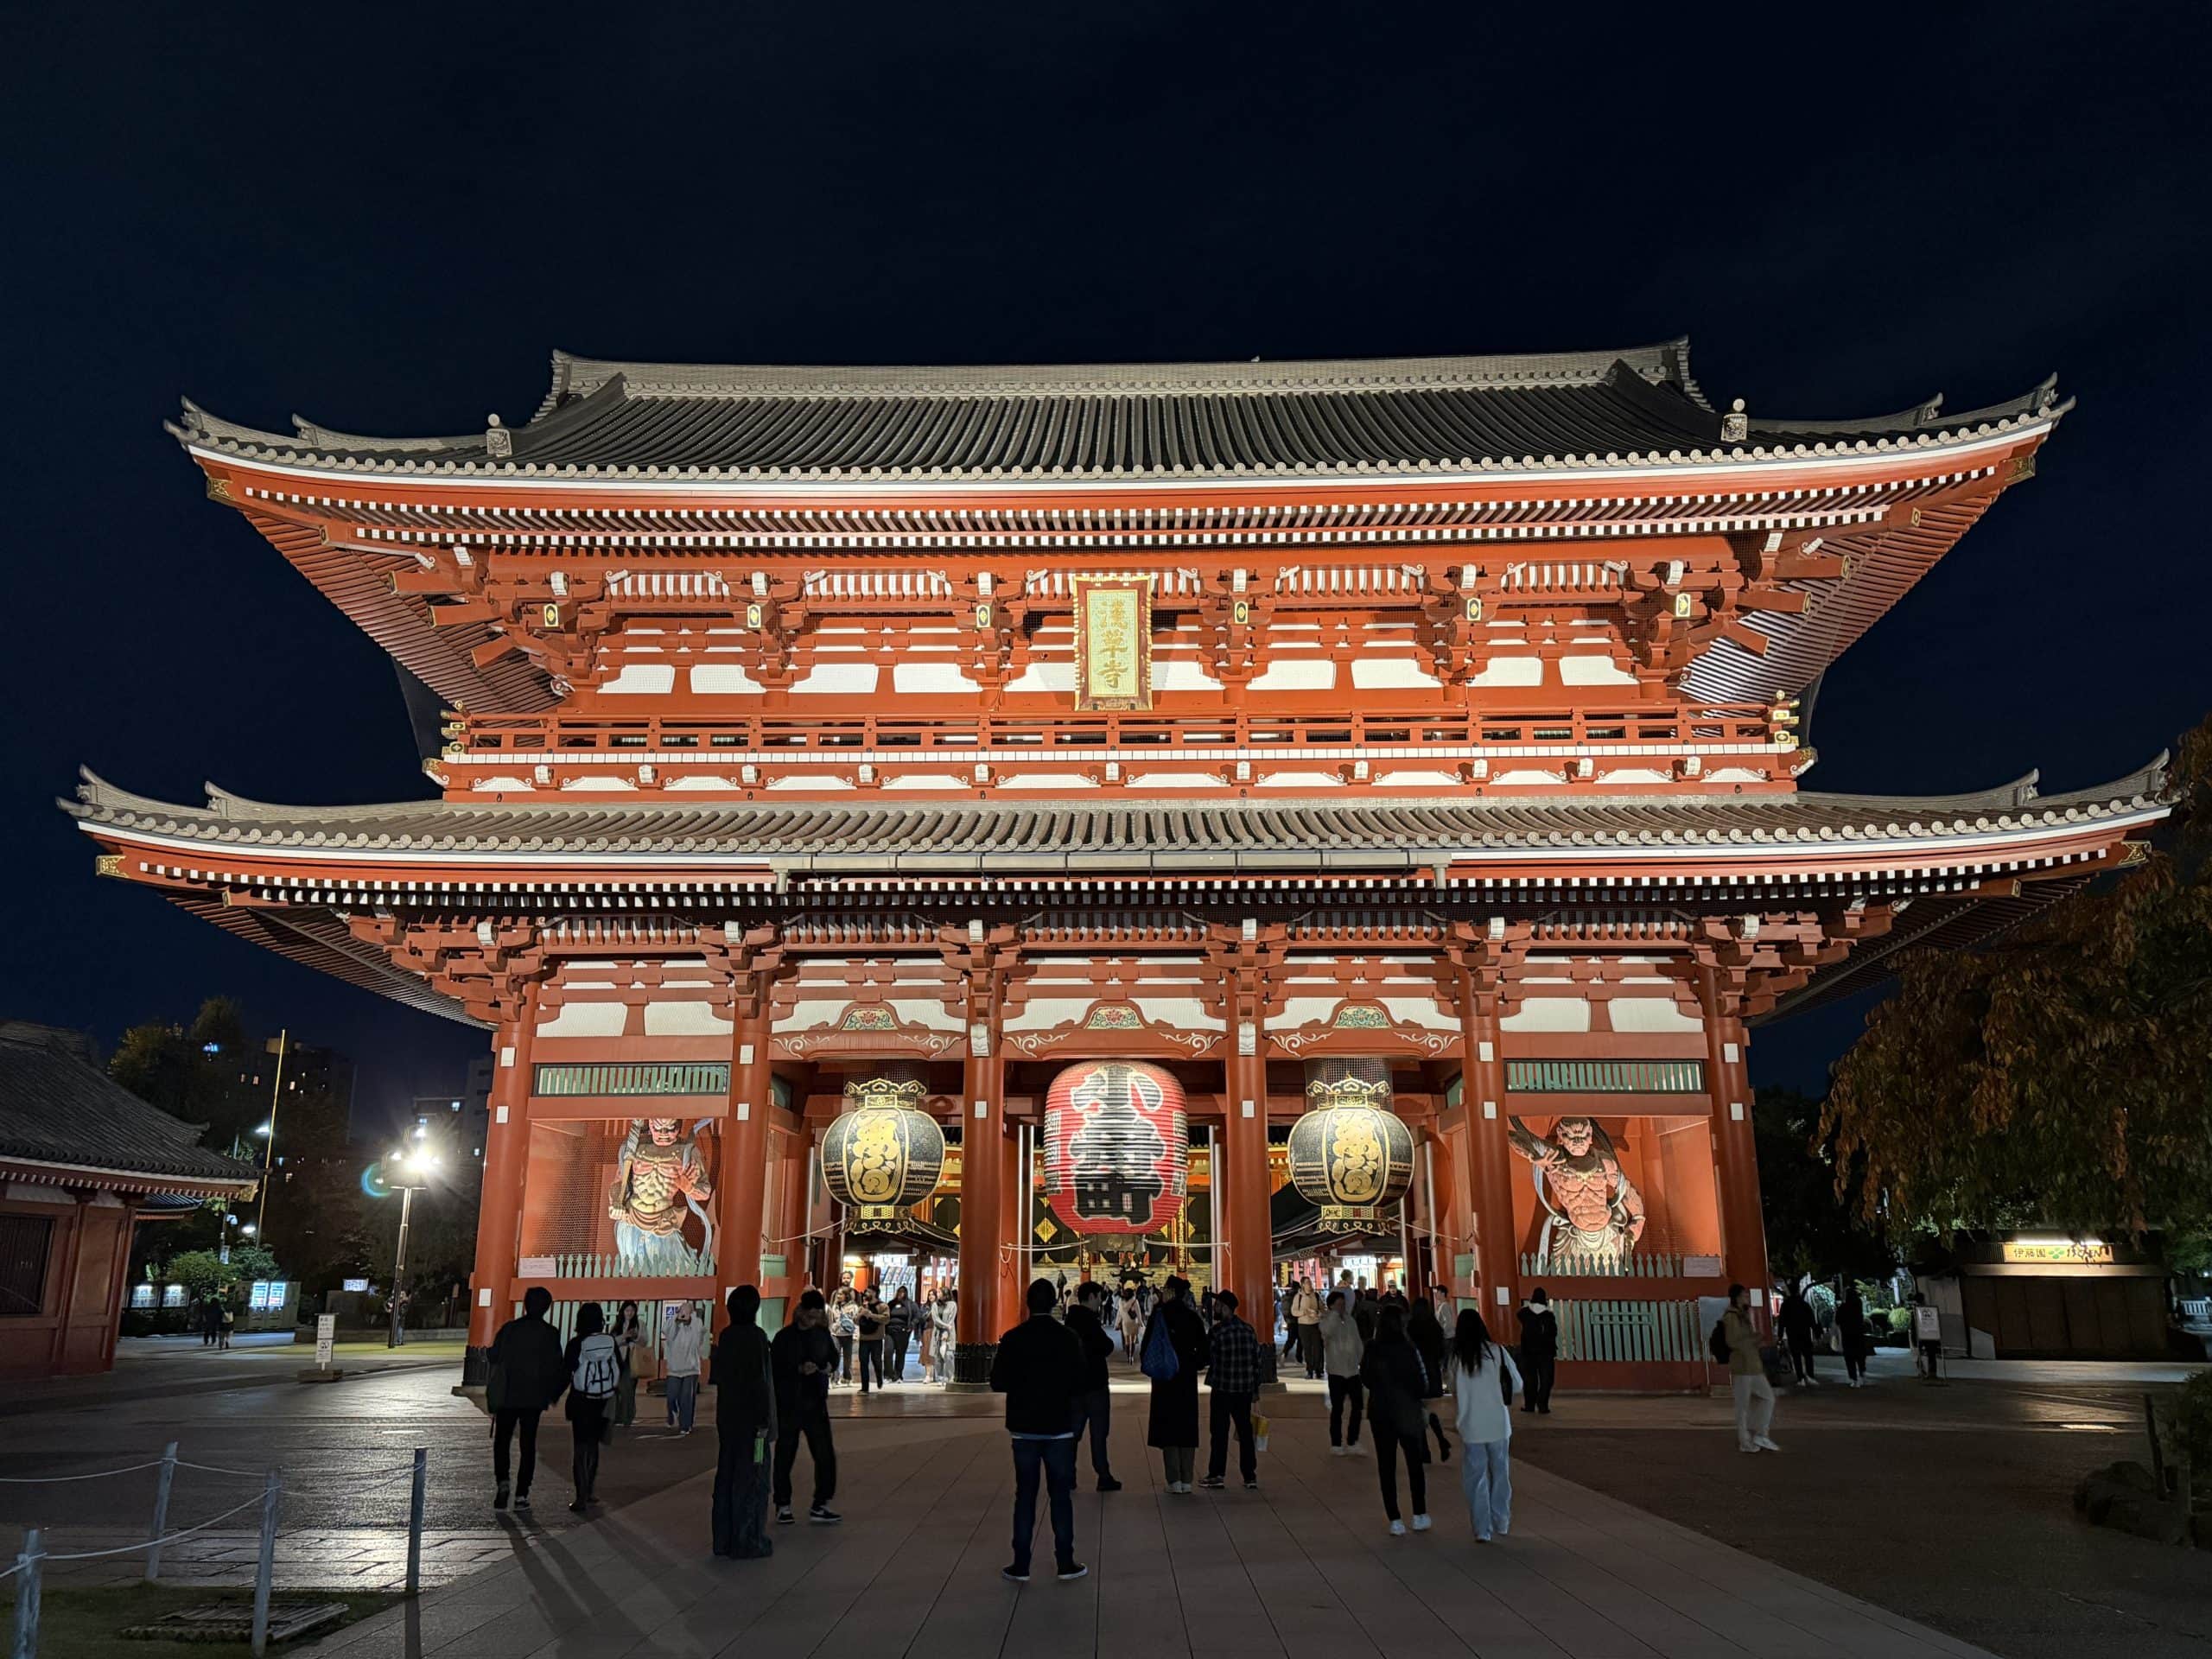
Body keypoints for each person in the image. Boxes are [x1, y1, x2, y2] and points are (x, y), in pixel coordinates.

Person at [989, 1279, 1089, 1583]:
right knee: (1060, 1495)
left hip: (1024, 1428)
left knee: (1025, 1496)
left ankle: (1021, 1564)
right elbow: (1080, 1382)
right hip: (1059, 1426)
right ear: (1054, 1304)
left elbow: (998, 1382)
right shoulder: (1068, 1337)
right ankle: (1065, 1561)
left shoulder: (1013, 1338)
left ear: (1027, 1303)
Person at [710, 1286, 777, 1558]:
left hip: (728, 1420)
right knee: (754, 1477)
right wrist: (764, 1422)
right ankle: (748, 1539)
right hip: (755, 1427)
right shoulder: (757, 1338)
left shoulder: (726, 1337)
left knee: (727, 1475)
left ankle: (723, 1539)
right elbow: (759, 1384)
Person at [487, 1285, 567, 1510]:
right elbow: (556, 1367)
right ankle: (522, 1493)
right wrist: (553, 1394)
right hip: (533, 1397)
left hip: (508, 1395)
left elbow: (493, 1355)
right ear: (546, 1308)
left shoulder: (510, 1329)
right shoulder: (550, 1333)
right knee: (528, 1444)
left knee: (502, 1441)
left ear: (525, 1304)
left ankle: (503, 1483)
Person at [1449, 1309, 1522, 1542]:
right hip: (1498, 1423)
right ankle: (1502, 1521)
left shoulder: (1456, 1358)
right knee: (1500, 1473)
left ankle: (1482, 1529)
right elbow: (1517, 1384)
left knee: (1476, 1477)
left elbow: (1452, 1388)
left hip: (1471, 1425)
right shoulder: (1497, 1352)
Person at [770, 1289, 842, 1525]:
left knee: (824, 1454)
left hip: (815, 1402)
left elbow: (833, 1358)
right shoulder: (784, 1338)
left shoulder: (822, 1335)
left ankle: (821, 1503)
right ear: (800, 1311)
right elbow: (776, 1368)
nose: (812, 1321)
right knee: (785, 1454)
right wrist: (798, 1369)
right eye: (809, 1316)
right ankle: (783, 1503)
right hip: (789, 1403)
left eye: (816, 1316)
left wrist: (826, 1367)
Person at [1361, 1304, 1433, 1535]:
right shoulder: (1409, 1348)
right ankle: (1420, 1514)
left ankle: (1395, 1519)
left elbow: (1366, 1378)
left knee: (1386, 1465)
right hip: (1407, 1410)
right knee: (1414, 1463)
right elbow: (1423, 1383)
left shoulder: (1372, 1348)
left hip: (1381, 1412)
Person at [1141, 1274, 1209, 1492]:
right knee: (1187, 1425)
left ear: (1170, 1292)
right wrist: (1192, 1364)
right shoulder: (1192, 1317)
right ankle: (1188, 1479)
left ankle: (1174, 1480)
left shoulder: (1159, 1316)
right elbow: (1205, 1352)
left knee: (1168, 1426)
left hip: (1165, 1379)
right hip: (1186, 1378)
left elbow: (1146, 1349)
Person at [562, 1302, 620, 1513]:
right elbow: (619, 1368)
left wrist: (552, 1394)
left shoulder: (577, 1343)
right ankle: (591, 1490)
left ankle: (580, 1495)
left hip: (581, 1400)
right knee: (594, 1446)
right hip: (602, 1400)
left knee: (580, 1447)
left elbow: (567, 1369)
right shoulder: (610, 1342)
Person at [1201, 1290, 1262, 1491]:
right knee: (1245, 1432)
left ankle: (1217, 1474)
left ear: (1226, 1308)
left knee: (1219, 1432)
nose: (1215, 1309)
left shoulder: (1217, 1332)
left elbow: (1206, 1358)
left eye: (1217, 1305)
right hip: (1244, 1390)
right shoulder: (1248, 1330)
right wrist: (1255, 1389)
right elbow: (1257, 1362)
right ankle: (1249, 1475)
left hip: (1222, 1388)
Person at [1065, 1282, 1122, 1491]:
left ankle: (1068, 1475)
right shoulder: (1090, 1322)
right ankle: (1103, 1475)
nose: (1101, 1301)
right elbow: (1106, 1346)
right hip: (1095, 1385)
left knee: (1073, 1433)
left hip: (1074, 1386)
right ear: (1091, 1297)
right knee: (1099, 1434)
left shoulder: (1069, 1321)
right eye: (1099, 1297)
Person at [1723, 1283, 1779, 1453]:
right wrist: (1753, 1340)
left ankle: (1761, 1434)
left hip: (1753, 1365)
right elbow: (1733, 1341)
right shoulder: (1731, 1317)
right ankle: (1745, 1441)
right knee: (1743, 1406)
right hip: (1742, 1365)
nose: (1747, 1297)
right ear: (1737, 1297)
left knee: (1768, 1398)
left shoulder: (1742, 1315)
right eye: (1745, 1295)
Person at [1320, 1290, 1366, 1455]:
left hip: (1353, 1371)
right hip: (1336, 1372)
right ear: (1331, 1305)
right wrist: (1333, 1316)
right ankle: (1336, 1443)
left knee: (1357, 1407)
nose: (1342, 1307)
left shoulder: (1350, 1320)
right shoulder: (1327, 1321)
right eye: (1338, 1304)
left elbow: (1357, 1341)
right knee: (1337, 1408)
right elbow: (1326, 1332)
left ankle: (1353, 1440)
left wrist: (1360, 1359)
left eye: (1343, 1304)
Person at [1407, 1296, 1452, 1463]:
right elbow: (1442, 1350)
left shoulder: (1411, 1326)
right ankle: (1440, 1439)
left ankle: (1425, 1450)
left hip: (1417, 1372)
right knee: (1430, 1409)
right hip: (1433, 1372)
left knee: (1419, 1410)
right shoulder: (1434, 1325)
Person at [664, 1300, 706, 1433]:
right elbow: (665, 1331)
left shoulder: (697, 1322)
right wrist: (677, 1319)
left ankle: (685, 1425)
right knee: (671, 1396)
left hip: (691, 1367)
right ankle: (672, 1413)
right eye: (682, 1309)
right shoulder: (673, 1322)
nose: (684, 1313)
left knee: (686, 1398)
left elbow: (698, 1336)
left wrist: (690, 1319)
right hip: (674, 1368)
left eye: (687, 1310)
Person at [1516, 1287, 1558, 1414]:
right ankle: (1542, 1405)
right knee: (1546, 1379)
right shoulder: (1549, 1316)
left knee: (1530, 1379)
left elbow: (1519, 1315)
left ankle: (1529, 1405)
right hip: (1546, 1353)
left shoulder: (1524, 1313)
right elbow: (1553, 1333)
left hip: (1528, 1352)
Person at [611, 1300, 644, 1427]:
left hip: (632, 1359)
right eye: (627, 1310)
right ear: (623, 1311)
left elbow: (644, 1341)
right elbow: (612, 1341)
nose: (629, 1313)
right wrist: (624, 1336)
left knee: (628, 1389)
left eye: (632, 1311)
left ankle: (627, 1417)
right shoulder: (618, 1324)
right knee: (617, 1388)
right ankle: (617, 1416)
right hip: (618, 1359)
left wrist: (635, 1337)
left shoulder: (640, 1324)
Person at [1779, 1286, 1818, 1387]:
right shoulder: (1804, 1304)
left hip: (1792, 1334)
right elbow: (1812, 1319)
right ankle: (1810, 1376)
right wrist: (1816, 1332)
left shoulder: (1785, 1305)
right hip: (1805, 1333)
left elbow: (1781, 1321)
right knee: (1808, 1356)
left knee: (1796, 1357)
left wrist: (1780, 1335)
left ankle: (1800, 1378)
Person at [1837, 1286, 1870, 1389]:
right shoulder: (1858, 1305)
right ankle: (1862, 1373)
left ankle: (1854, 1380)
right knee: (1860, 1355)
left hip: (1847, 1335)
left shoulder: (1843, 1307)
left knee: (1850, 1358)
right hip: (1858, 1334)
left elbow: (1838, 1320)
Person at [855, 1290, 887, 1393]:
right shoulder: (862, 1307)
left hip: (877, 1339)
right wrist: (861, 1314)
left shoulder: (883, 1306)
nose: (865, 1295)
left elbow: (886, 1319)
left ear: (874, 1293)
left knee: (876, 1361)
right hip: (864, 1339)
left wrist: (871, 1315)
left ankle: (879, 1378)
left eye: (868, 1292)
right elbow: (855, 1321)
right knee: (863, 1362)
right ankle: (865, 1387)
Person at [1292, 1279, 1324, 1379]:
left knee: (1318, 1348)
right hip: (1303, 1325)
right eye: (1307, 1283)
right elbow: (1293, 1311)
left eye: (1311, 1283)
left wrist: (1319, 1313)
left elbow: (1323, 1309)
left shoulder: (1317, 1295)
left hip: (1315, 1324)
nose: (1310, 1285)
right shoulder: (1298, 1297)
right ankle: (1309, 1370)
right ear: (1302, 1285)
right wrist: (1304, 1312)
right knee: (1307, 1349)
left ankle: (1318, 1369)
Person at [884, 1287, 914, 1382]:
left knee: (900, 1354)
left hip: (903, 1332)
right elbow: (885, 1315)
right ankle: (888, 1374)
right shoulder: (891, 1303)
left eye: (903, 1292)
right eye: (899, 1292)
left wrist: (911, 1325)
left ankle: (898, 1375)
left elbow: (917, 1316)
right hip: (890, 1331)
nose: (900, 1294)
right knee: (888, 1352)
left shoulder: (910, 1304)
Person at [831, 1290, 859, 1387]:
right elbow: (832, 1319)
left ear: (846, 1296)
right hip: (836, 1334)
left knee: (848, 1358)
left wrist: (856, 1334)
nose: (838, 1296)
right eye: (837, 1294)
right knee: (835, 1356)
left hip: (848, 1334)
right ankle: (834, 1379)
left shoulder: (853, 1307)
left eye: (840, 1294)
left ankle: (847, 1378)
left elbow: (856, 1321)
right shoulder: (834, 1306)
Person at [932, 1288, 958, 1383]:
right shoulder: (935, 1305)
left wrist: (947, 1331)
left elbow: (951, 1319)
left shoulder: (953, 1304)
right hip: (938, 1331)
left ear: (945, 1294)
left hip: (950, 1332)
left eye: (939, 1292)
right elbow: (935, 1319)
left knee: (949, 1355)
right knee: (938, 1356)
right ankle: (939, 1377)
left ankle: (950, 1376)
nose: (937, 1294)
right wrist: (945, 1326)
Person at [1116, 1287, 1143, 1361]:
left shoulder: (1121, 1302)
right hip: (1134, 1321)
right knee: (1133, 1340)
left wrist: (1117, 1323)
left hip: (1125, 1322)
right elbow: (1138, 1313)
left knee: (1127, 1340)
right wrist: (1141, 1322)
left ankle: (1128, 1356)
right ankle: (1132, 1356)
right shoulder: (1135, 1301)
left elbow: (1119, 1313)